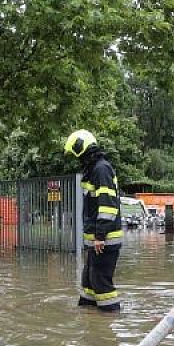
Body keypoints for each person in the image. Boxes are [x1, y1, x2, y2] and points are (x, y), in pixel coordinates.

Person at [65, 129, 123, 312]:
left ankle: (109, 326)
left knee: (101, 284)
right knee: (89, 282)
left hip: (105, 239)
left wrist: (100, 236)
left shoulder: (101, 169)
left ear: (82, 149)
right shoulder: (93, 170)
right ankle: (89, 320)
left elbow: (107, 206)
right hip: (97, 240)